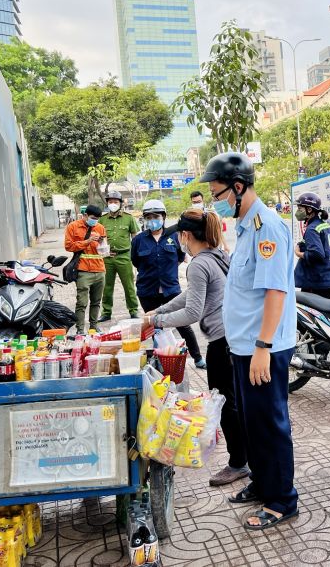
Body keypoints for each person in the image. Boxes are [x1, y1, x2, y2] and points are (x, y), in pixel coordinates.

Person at [200, 152, 299, 531]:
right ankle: (262, 483)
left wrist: (262, 346)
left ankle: (281, 500)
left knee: (270, 423)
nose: (216, 201)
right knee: (253, 423)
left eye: (217, 193)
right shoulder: (243, 227)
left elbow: (276, 292)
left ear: (238, 187)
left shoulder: (267, 227)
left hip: (263, 348)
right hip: (243, 347)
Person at [143, 208, 248, 486]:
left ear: (186, 235)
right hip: (233, 337)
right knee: (234, 401)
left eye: (179, 235)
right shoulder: (217, 255)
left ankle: (238, 463)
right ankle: (244, 457)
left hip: (221, 343)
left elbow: (192, 312)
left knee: (227, 404)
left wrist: (157, 321)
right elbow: (191, 294)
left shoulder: (198, 264)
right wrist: (158, 311)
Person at [131, 199, 206, 369]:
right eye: (148, 217)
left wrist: (166, 272)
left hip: (171, 289)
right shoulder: (139, 240)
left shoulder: (175, 236)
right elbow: (135, 261)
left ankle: (198, 358)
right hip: (147, 291)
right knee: (154, 325)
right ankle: (163, 361)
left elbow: (180, 257)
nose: (152, 220)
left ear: (163, 217)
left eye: (155, 216)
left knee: (183, 325)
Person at [98, 190, 140, 322]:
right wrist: (103, 251)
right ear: (107, 203)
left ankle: (133, 310)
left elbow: (135, 238)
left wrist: (136, 256)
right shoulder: (102, 220)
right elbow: (99, 239)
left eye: (115, 202)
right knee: (106, 286)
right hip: (107, 258)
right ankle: (106, 312)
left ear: (120, 203)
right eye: (110, 202)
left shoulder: (129, 218)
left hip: (124, 256)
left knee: (128, 285)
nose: (113, 204)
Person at [64, 204, 106, 334]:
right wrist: (87, 241)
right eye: (93, 218)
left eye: (98, 218)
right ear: (85, 215)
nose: (95, 221)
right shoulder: (73, 227)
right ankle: (80, 330)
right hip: (83, 270)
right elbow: (68, 246)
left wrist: (103, 245)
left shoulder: (100, 228)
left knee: (96, 301)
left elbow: (103, 249)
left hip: (99, 269)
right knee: (82, 302)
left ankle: (94, 327)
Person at [293, 192, 330, 298]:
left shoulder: (311, 229)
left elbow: (317, 254)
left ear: (309, 210)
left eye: (300, 209)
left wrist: (298, 253)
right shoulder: (324, 225)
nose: (297, 212)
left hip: (317, 285)